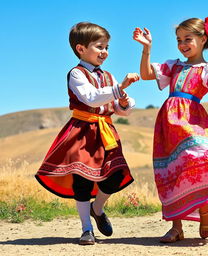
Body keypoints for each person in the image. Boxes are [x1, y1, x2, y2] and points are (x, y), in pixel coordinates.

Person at [133, 17, 208, 242]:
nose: (182, 44)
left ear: (203, 39)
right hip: (168, 122)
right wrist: (146, 49)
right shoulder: (174, 66)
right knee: (172, 170)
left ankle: (206, 207)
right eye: (179, 39)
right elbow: (145, 74)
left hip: (193, 121)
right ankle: (176, 227)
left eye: (188, 39)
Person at [35, 22, 140, 245]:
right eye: (99, 46)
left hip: (105, 132)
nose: (105, 52)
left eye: (107, 47)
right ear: (81, 49)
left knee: (116, 175)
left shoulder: (109, 77)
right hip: (82, 131)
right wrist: (120, 88)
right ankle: (86, 229)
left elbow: (120, 111)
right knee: (81, 179)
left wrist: (124, 101)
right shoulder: (76, 73)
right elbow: (90, 98)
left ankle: (97, 208)